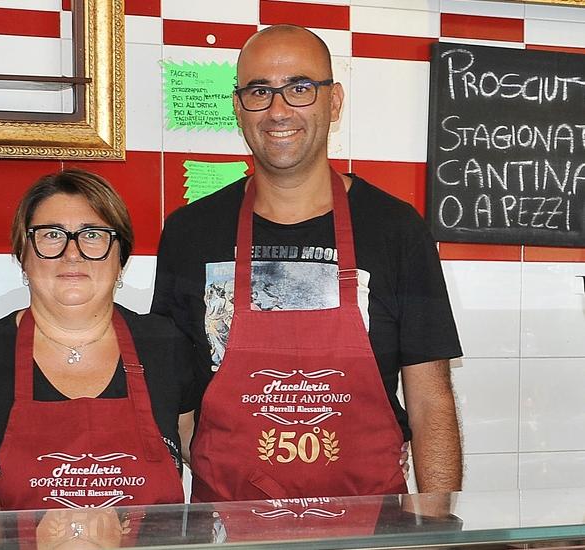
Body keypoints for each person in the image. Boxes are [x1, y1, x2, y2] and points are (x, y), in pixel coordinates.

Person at [151, 25, 463, 502]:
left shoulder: (397, 229)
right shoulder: (189, 233)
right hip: (230, 522)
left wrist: (440, 525)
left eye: (300, 88)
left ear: (333, 102)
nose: (278, 110)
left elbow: (430, 399)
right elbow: (173, 390)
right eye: (259, 91)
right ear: (238, 107)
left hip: (373, 524)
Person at [0, 169, 201, 511]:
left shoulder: (168, 347)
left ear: (121, 258)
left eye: (93, 235)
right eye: (52, 234)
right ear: (23, 254)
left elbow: (204, 456)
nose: (73, 252)